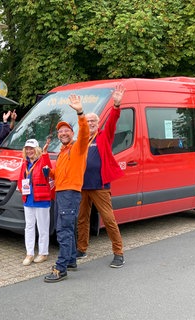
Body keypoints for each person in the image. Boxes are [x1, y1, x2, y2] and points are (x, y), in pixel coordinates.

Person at [77, 85, 126, 268]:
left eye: (93, 121)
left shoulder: (104, 136)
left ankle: (118, 252)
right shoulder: (80, 140)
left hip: (100, 186)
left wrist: (116, 105)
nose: (90, 124)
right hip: (82, 186)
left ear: (98, 123)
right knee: (82, 218)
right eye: (87, 121)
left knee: (108, 219)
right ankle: (82, 248)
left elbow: (112, 121)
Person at [44, 94, 90, 283]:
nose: (62, 133)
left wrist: (80, 112)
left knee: (63, 230)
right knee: (68, 228)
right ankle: (71, 260)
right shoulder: (62, 153)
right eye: (60, 131)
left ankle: (61, 268)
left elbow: (85, 132)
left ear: (72, 134)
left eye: (66, 131)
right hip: (63, 192)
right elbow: (59, 175)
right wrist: (50, 171)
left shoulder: (78, 147)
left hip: (70, 193)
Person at [17, 139, 52, 266]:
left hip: (41, 199)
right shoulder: (25, 164)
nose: (29, 151)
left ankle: (43, 253)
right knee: (29, 227)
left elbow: (49, 171)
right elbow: (21, 179)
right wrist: (22, 188)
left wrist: (46, 154)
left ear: (37, 149)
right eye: (27, 149)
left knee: (42, 228)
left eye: (31, 149)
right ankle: (29, 253)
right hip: (28, 200)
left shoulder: (43, 160)